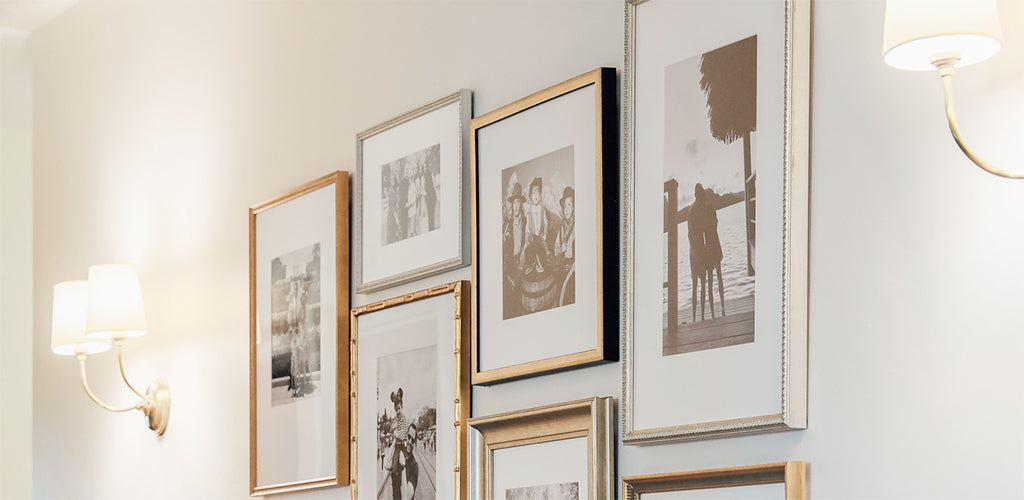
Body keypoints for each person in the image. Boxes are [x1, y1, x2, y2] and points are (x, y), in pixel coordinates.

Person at [385, 388, 418, 500]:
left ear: (402, 407)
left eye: (399, 408)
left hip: (405, 449)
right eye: (396, 409)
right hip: (398, 448)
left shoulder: (407, 420)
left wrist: (410, 437)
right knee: (395, 472)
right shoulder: (394, 421)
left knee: (411, 467)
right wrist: (403, 435)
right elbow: (397, 434)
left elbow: (410, 434)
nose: (398, 411)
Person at [702, 186, 725, 317]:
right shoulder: (711, 210)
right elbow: (715, 225)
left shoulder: (704, 210)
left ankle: (713, 312)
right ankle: (722, 306)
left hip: (709, 246)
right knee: (719, 276)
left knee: (711, 279)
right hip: (715, 244)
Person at [688, 183, 710, 322]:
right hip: (699, 250)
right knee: (702, 284)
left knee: (695, 285)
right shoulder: (700, 209)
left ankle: (696, 318)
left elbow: (690, 234)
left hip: (692, 251)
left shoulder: (691, 210)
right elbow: (703, 230)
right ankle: (700, 317)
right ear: (700, 195)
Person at [520, 177, 550, 274]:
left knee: (542, 248)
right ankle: (531, 264)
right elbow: (527, 228)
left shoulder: (542, 209)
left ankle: (540, 263)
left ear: (540, 195)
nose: (536, 195)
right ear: (530, 196)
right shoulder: (529, 211)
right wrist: (526, 240)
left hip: (540, 235)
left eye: (537, 192)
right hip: (532, 237)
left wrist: (545, 233)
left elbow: (545, 222)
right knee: (530, 249)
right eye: (533, 193)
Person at [554, 186, 576, 305]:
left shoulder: (577, 226)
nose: (566, 209)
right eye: (565, 206)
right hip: (563, 268)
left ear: (573, 207)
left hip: (575, 270)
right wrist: (560, 250)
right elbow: (555, 250)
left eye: (569, 205)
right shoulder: (561, 229)